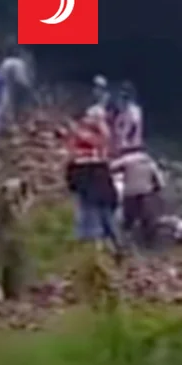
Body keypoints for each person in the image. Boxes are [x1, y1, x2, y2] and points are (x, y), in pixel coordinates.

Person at [65, 103, 120, 255]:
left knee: (92, 224)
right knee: (105, 223)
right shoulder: (101, 141)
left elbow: (73, 166)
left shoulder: (88, 139)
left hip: (91, 187)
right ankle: (111, 251)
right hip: (100, 187)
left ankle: (96, 255)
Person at [0, 177, 33, 300]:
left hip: (4, 225)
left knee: (12, 258)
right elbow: (13, 210)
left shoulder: (21, 188)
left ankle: (12, 289)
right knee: (4, 255)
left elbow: (22, 206)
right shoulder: (10, 189)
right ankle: (5, 290)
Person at [110, 148, 165, 250]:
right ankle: (149, 244)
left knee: (128, 220)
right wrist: (156, 190)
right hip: (147, 193)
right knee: (148, 220)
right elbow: (160, 181)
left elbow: (111, 168)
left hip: (130, 193)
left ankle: (124, 243)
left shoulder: (126, 160)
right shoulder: (150, 162)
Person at [110, 81, 143, 157]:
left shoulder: (133, 111)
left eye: (124, 97)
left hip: (129, 149)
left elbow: (131, 128)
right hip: (123, 148)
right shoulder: (122, 112)